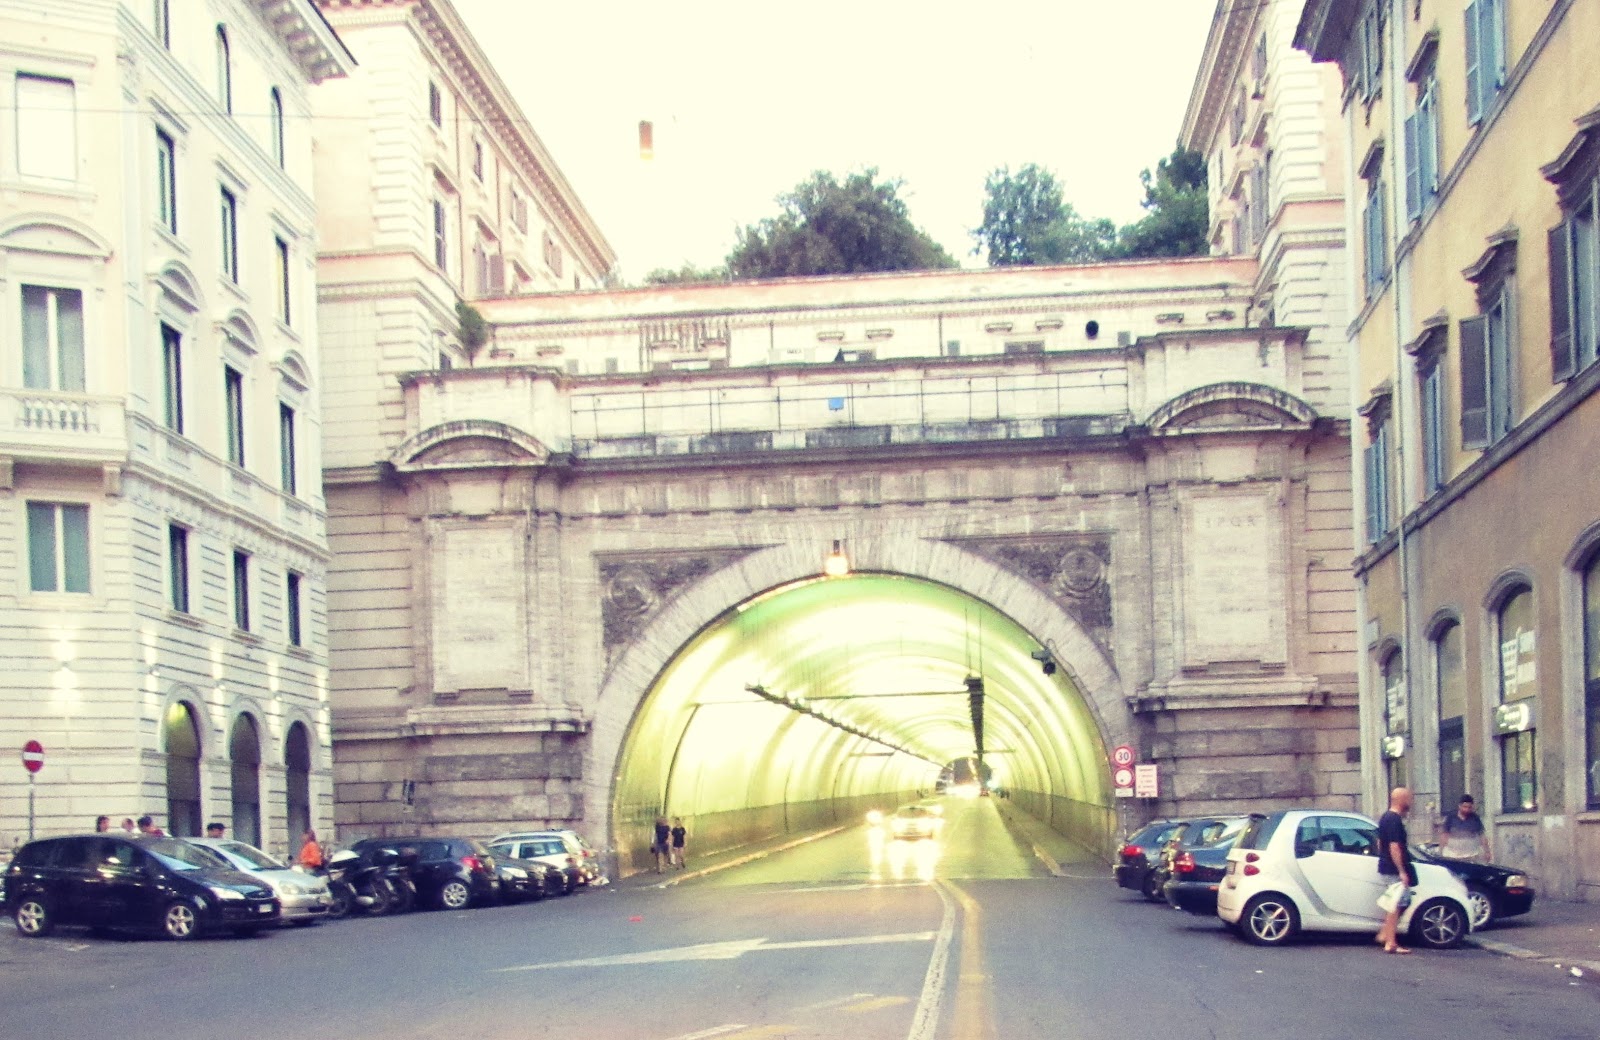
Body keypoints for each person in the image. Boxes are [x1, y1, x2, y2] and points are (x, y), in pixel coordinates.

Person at [1375, 786, 1417, 955]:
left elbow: (1379, 842)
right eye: (1408, 798)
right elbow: (1394, 847)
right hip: (1394, 869)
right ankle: (1390, 941)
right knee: (1396, 904)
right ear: (1401, 800)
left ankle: (1385, 934)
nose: (1410, 802)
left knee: (1400, 903)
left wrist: (1383, 856)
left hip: (1386, 865)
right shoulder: (1394, 820)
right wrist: (1401, 870)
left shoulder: (1385, 818)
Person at [1437, 794, 1490, 863]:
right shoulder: (1451, 818)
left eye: (1469, 807)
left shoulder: (1475, 818)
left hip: (1471, 857)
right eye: (1465, 807)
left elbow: (1482, 836)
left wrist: (1487, 852)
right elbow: (1444, 835)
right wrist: (1440, 852)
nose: (1467, 809)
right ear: (1459, 806)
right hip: (1453, 856)